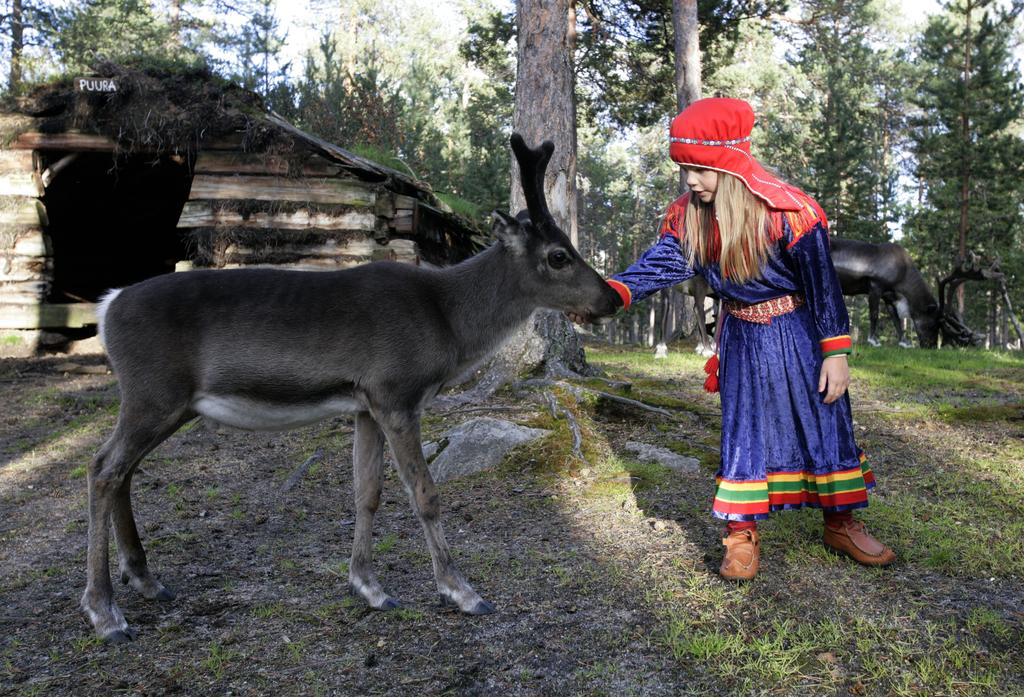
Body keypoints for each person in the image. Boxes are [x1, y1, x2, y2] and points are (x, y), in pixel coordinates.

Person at [591, 98, 895, 580]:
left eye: (700, 169)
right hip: (742, 339)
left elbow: (822, 286)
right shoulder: (688, 216)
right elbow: (662, 264)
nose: (690, 179)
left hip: (797, 333)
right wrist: (610, 293)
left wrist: (835, 353)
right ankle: (740, 532)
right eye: (685, 168)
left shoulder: (790, 211)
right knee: (744, 430)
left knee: (825, 419)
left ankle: (841, 522)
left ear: (729, 166)